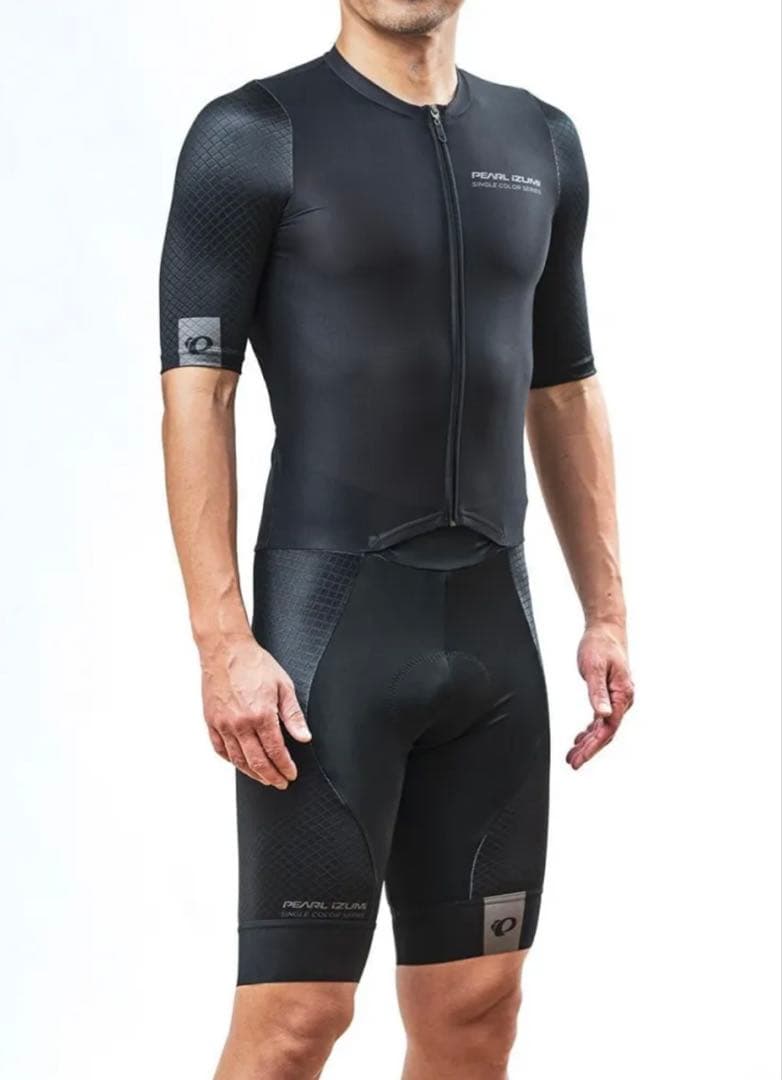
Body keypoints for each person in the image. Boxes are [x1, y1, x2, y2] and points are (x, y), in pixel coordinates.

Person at [159, 0, 635, 1075]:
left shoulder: (541, 142)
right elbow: (197, 392)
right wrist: (221, 641)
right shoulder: (252, 136)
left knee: (477, 1010)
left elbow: (564, 387)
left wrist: (605, 612)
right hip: (329, 640)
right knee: (296, 1018)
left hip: (494, 639)